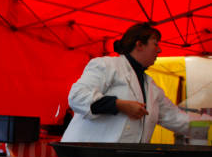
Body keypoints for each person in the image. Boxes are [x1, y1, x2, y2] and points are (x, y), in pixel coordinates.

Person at [61, 22, 211, 143]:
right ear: (139, 45)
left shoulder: (151, 87)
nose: (159, 50)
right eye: (155, 44)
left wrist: (209, 125)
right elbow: (77, 97)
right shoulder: (106, 65)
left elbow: (177, 119)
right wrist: (119, 105)